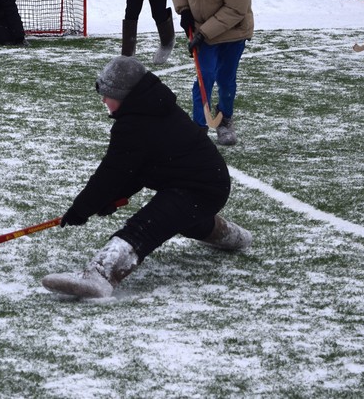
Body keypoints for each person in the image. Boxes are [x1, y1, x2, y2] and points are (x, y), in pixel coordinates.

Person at [41, 56, 251, 299]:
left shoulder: (135, 125)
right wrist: (109, 199)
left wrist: (81, 209)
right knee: (185, 218)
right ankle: (236, 238)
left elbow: (111, 173)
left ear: (122, 95)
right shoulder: (152, 108)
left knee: (146, 227)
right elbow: (136, 170)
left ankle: (100, 276)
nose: (104, 100)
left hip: (197, 187)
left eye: (108, 95)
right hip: (207, 183)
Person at [171, 0, 253, 146]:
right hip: (201, 30)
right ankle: (199, 127)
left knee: (226, 79)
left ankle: (225, 120)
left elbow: (235, 10)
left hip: (232, 32)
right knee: (204, 77)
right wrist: (184, 10)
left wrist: (203, 33)